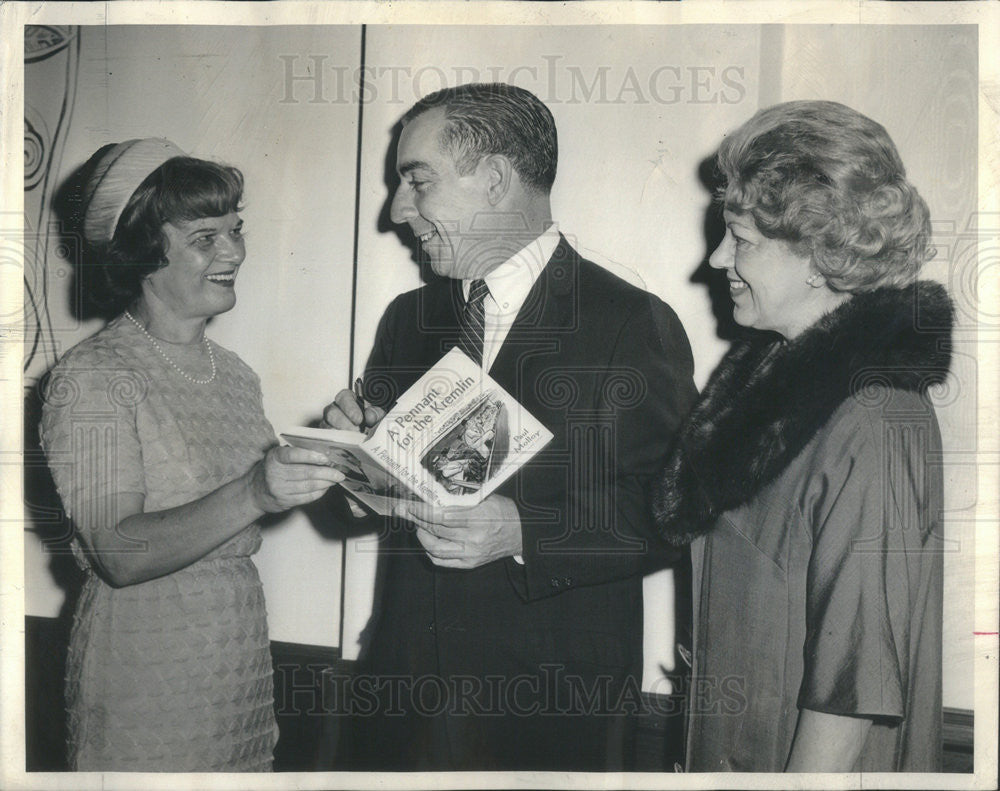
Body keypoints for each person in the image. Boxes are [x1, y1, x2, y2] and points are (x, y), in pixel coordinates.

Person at [323, 83, 697, 771]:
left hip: (548, 715)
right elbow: (371, 504)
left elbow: (675, 514)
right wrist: (356, 466)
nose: (397, 211)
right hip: (398, 704)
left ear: (494, 178)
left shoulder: (628, 323)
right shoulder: (407, 319)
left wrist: (526, 530)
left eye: (416, 181)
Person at [652, 101, 950, 772]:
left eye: (741, 239)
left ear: (819, 254)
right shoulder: (773, 386)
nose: (716, 258)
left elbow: (855, 679)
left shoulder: (875, 418)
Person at [40, 139, 343, 771]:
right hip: (145, 668)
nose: (233, 252)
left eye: (236, 231)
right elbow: (117, 553)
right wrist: (256, 491)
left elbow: (234, 514)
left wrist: (352, 457)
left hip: (237, 671)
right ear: (146, 254)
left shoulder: (234, 374)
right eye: (206, 239)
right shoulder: (90, 378)